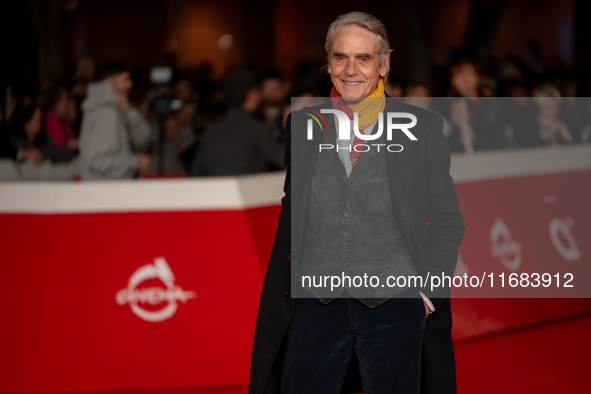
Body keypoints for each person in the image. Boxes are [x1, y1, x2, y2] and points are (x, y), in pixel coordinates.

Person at [249, 11, 464, 394]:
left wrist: (428, 292)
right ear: (327, 63)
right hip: (315, 304)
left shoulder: (422, 128)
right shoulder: (302, 127)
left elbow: (447, 219)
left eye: (363, 58)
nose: (351, 69)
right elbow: (293, 213)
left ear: (383, 64)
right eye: (340, 57)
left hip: (393, 305)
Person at [189, 70, 284, 176]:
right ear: (251, 95)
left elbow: (196, 171)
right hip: (248, 189)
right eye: (259, 93)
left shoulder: (213, 129)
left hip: (217, 190)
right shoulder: (254, 127)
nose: (261, 97)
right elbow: (286, 160)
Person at [79, 62, 152, 180]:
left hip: (108, 191)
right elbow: (98, 160)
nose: (130, 84)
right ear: (109, 81)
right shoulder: (105, 112)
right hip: (108, 192)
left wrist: (127, 110)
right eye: (125, 80)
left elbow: (143, 137)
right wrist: (134, 162)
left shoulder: (110, 108)